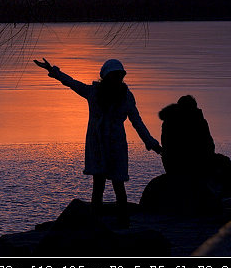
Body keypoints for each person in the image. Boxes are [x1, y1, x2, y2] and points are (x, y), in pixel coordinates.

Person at [34, 57, 161, 228]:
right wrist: (53, 71)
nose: (117, 79)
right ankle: (96, 225)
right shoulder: (94, 93)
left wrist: (152, 144)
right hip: (98, 146)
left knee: (117, 185)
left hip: (116, 146)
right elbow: (72, 83)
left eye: (119, 76)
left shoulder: (126, 97)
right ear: (106, 77)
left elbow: (137, 122)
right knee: (99, 185)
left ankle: (122, 223)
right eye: (114, 76)